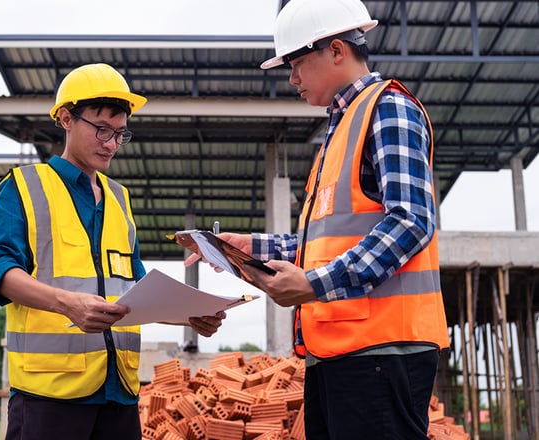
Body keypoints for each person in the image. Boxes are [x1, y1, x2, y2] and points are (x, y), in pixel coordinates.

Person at [188, 0, 450, 438]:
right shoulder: (339, 128)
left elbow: (411, 222)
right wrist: (251, 248)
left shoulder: (387, 109)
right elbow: (326, 241)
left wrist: (313, 284)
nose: (291, 78)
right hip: (339, 351)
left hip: (382, 351)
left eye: (296, 63)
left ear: (335, 51)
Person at [0, 63, 225, 440]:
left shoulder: (119, 198)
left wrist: (190, 315)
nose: (111, 143)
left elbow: (135, 288)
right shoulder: (24, 187)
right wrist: (68, 304)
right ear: (66, 118)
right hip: (50, 396)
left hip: (119, 396)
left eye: (120, 134)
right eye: (101, 130)